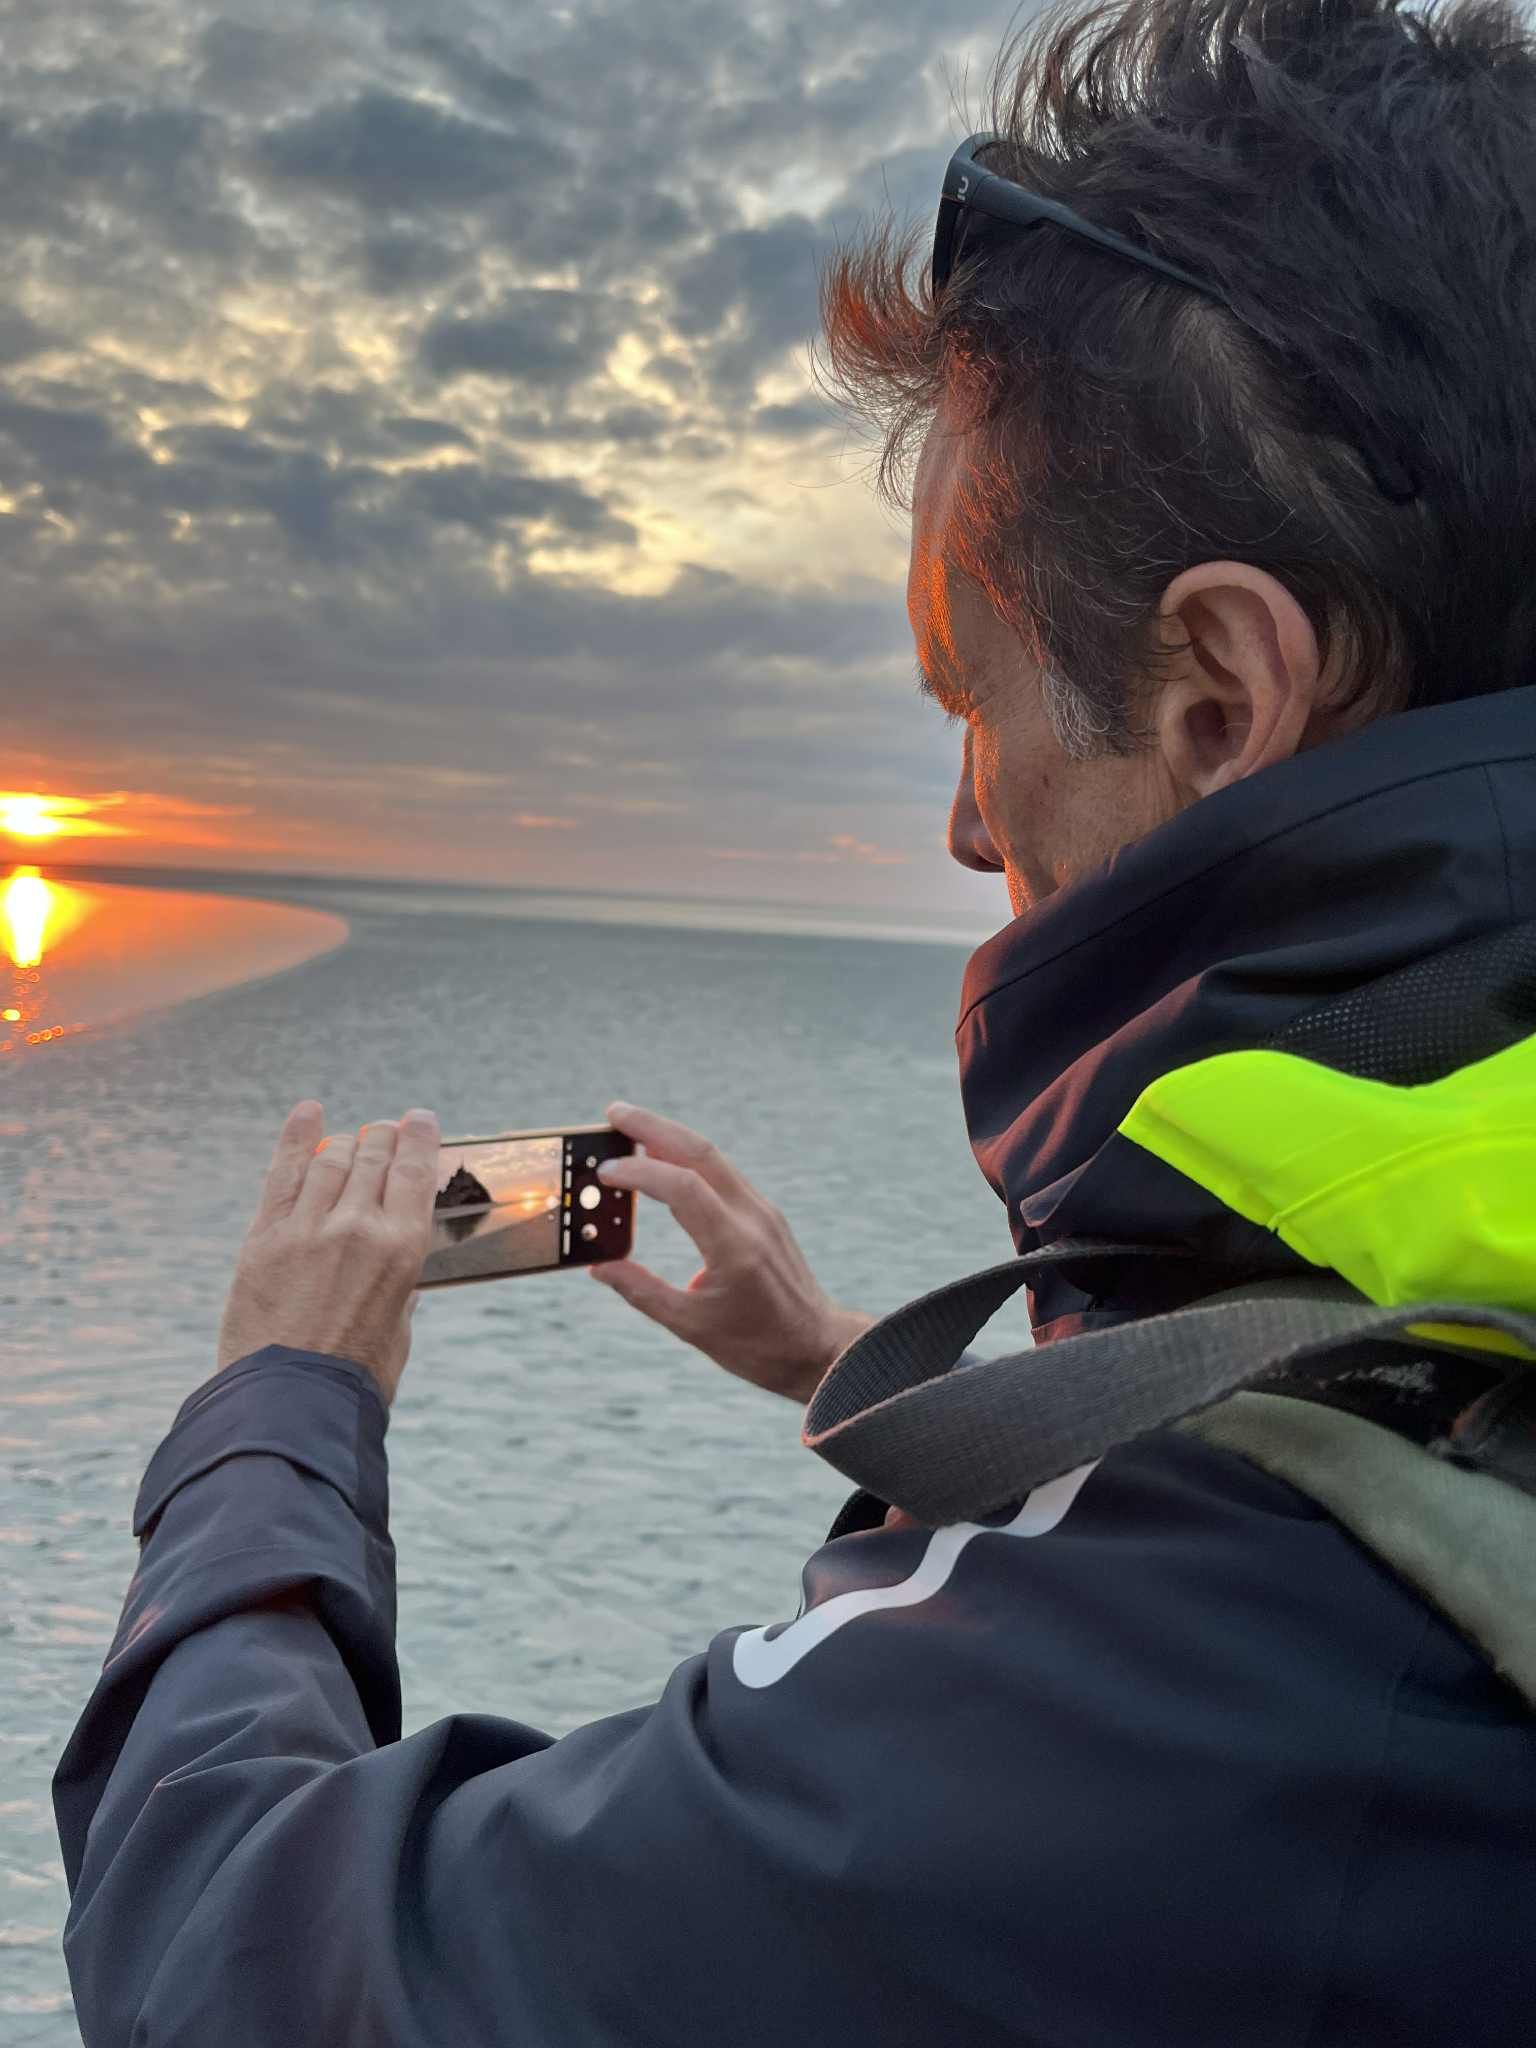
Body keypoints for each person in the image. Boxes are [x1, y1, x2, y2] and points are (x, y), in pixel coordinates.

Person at [54, 0, 1536, 2039]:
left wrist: (281, 1395)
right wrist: (856, 1370)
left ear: (1220, 696)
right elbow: (1408, 1417)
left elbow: (232, 1964)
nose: (964, 823)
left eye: (972, 699)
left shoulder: (1224, 1677)